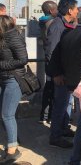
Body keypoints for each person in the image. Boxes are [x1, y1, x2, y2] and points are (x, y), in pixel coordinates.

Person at [49, 8, 81, 165]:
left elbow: (56, 54)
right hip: (80, 81)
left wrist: (56, 73)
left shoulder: (67, 33)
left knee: (61, 108)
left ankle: (57, 135)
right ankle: (75, 155)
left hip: (65, 78)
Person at [47, 0, 78, 148]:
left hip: (67, 73)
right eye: (76, 8)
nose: (78, 11)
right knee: (60, 106)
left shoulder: (66, 24)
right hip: (60, 75)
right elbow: (51, 53)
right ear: (70, 10)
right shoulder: (57, 26)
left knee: (66, 103)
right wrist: (56, 74)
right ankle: (55, 136)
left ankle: (64, 128)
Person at [0, 16, 28, 162]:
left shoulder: (13, 37)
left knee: (7, 115)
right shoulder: (3, 37)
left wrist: (2, 65)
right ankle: (13, 139)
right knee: (5, 114)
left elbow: (23, 59)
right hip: (4, 78)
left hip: (13, 79)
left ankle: (12, 149)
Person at [39, 0, 58, 124]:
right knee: (52, 89)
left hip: (48, 59)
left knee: (49, 88)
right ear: (51, 11)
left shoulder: (43, 21)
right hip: (52, 61)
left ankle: (44, 116)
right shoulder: (52, 23)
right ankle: (49, 116)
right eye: (56, 9)